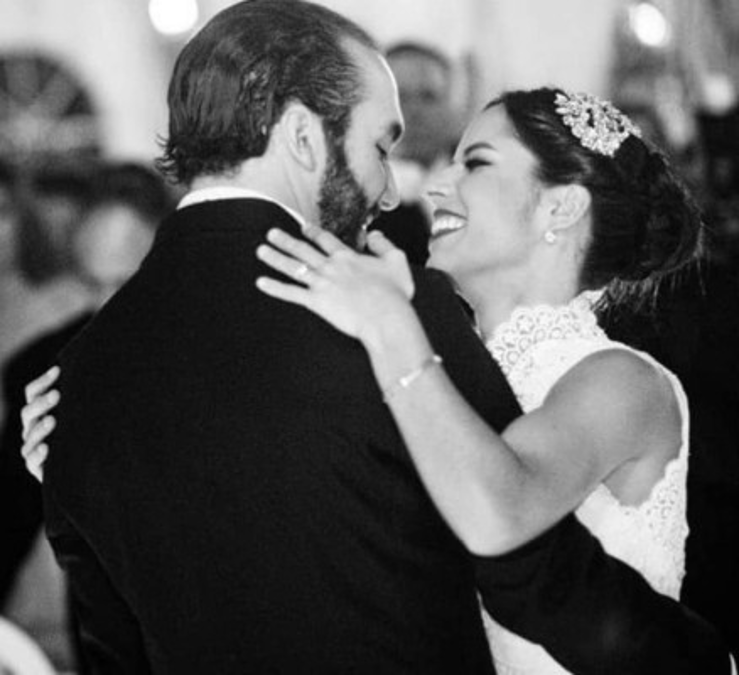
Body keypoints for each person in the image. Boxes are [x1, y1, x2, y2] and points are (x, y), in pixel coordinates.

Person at [17, 3, 732, 673]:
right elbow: (528, 570)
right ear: (304, 138)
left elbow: (114, 642)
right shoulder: (390, 312)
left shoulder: (75, 376)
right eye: (382, 144)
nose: (400, 192)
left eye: (474, 162)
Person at [252, 87, 736, 673]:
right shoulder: (440, 371)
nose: (436, 186)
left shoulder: (622, 382)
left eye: (475, 163)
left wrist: (391, 327)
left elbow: (501, 515)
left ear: (561, 207)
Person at [0, 161, 170, 671]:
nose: (107, 307)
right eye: (93, 284)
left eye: (126, 281)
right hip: (105, 646)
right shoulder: (43, 366)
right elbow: (9, 517)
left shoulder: (221, 356)